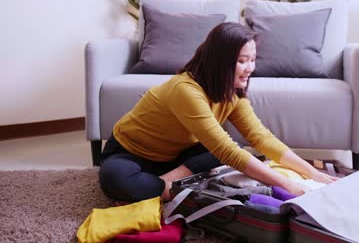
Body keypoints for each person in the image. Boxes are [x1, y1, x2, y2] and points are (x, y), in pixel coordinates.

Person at [99, 22, 338, 203]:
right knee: (114, 178)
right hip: (131, 153)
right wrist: (287, 185)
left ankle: (165, 184)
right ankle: (172, 186)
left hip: (175, 156)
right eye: (243, 61)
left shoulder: (232, 92)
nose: (250, 68)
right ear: (220, 62)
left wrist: (311, 173)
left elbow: (260, 138)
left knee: (225, 151)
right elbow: (227, 150)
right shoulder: (185, 90)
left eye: (253, 60)